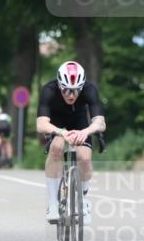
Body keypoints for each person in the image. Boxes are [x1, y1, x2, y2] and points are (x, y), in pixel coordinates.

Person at [36, 61, 105, 225]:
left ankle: (83, 201)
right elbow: (41, 124)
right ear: (59, 84)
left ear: (82, 86)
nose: (71, 95)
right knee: (57, 147)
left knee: (85, 157)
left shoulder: (89, 89)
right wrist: (61, 133)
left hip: (80, 122)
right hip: (57, 123)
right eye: (66, 89)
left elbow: (100, 122)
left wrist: (86, 132)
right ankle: (52, 204)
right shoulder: (49, 90)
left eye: (75, 90)